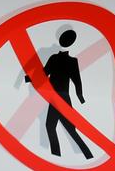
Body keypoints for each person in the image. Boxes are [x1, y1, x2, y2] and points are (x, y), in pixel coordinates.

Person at [26, 29, 93, 159]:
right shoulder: (63, 59)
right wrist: (80, 97)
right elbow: (46, 74)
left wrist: (81, 98)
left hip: (59, 96)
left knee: (52, 126)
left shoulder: (62, 59)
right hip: (60, 96)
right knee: (65, 127)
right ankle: (82, 154)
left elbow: (75, 80)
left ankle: (58, 154)